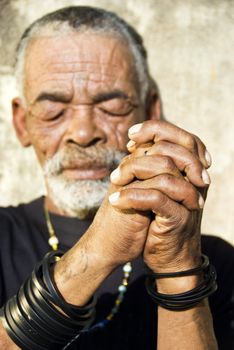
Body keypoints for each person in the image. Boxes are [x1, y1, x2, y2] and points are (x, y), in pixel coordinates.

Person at [0, 6, 233, 350]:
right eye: (54, 111)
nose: (82, 133)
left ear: (150, 110)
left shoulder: (209, 261)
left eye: (111, 107)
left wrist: (179, 270)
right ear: (22, 123)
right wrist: (94, 254)